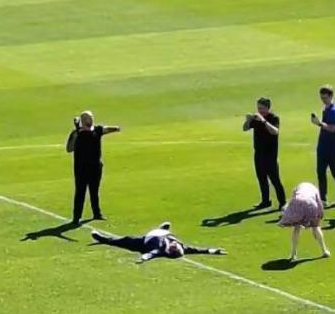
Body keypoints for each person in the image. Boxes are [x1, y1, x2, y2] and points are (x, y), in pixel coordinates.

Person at [66, 111, 120, 224]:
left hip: (95, 167)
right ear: (83, 120)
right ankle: (76, 217)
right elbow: (69, 149)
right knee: (80, 192)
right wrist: (76, 134)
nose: (90, 120)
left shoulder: (97, 130)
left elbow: (106, 129)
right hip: (81, 168)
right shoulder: (76, 133)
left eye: (91, 117)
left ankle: (97, 213)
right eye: (88, 118)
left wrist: (115, 128)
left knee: (94, 191)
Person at [91, 222, 225, 264]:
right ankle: (162, 229)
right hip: (161, 233)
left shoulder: (160, 249)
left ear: (170, 250)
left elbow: (152, 254)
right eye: (177, 246)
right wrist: (214, 251)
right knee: (164, 229)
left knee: (124, 240)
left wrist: (143, 258)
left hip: (144, 241)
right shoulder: (182, 247)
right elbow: (199, 250)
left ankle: (102, 239)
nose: (176, 245)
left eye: (174, 247)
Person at [243, 97, 287, 210]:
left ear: (268, 108)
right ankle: (265, 201)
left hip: (270, 155)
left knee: (275, 179)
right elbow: (245, 128)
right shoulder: (256, 118)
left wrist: (263, 120)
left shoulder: (273, 118)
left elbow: (275, 131)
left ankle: (283, 202)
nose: (260, 110)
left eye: (262, 108)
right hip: (259, 153)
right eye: (258, 108)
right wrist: (248, 120)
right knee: (261, 178)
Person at [311, 85, 335, 207]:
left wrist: (319, 123)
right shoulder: (327, 109)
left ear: (331, 96)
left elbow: (333, 128)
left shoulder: (334, 111)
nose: (323, 100)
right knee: (321, 172)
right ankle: (323, 199)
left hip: (333, 148)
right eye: (321, 98)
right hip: (323, 146)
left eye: (325, 98)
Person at [278, 182, 330, 262]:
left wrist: (286, 218)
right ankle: (324, 251)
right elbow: (319, 206)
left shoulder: (297, 189)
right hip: (311, 204)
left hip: (298, 204)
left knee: (296, 227)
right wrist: (317, 221)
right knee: (316, 228)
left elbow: (292, 202)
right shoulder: (314, 190)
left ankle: (293, 255)